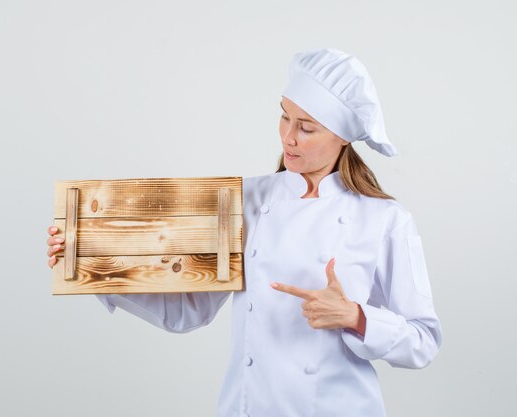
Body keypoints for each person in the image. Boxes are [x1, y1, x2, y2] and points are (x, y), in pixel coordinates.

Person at [46, 48, 442, 417]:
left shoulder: (385, 219)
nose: (288, 136)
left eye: (306, 127)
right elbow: (187, 312)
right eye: (285, 116)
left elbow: (423, 341)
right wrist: (93, 265)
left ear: (342, 137)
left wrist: (356, 317)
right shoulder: (242, 200)